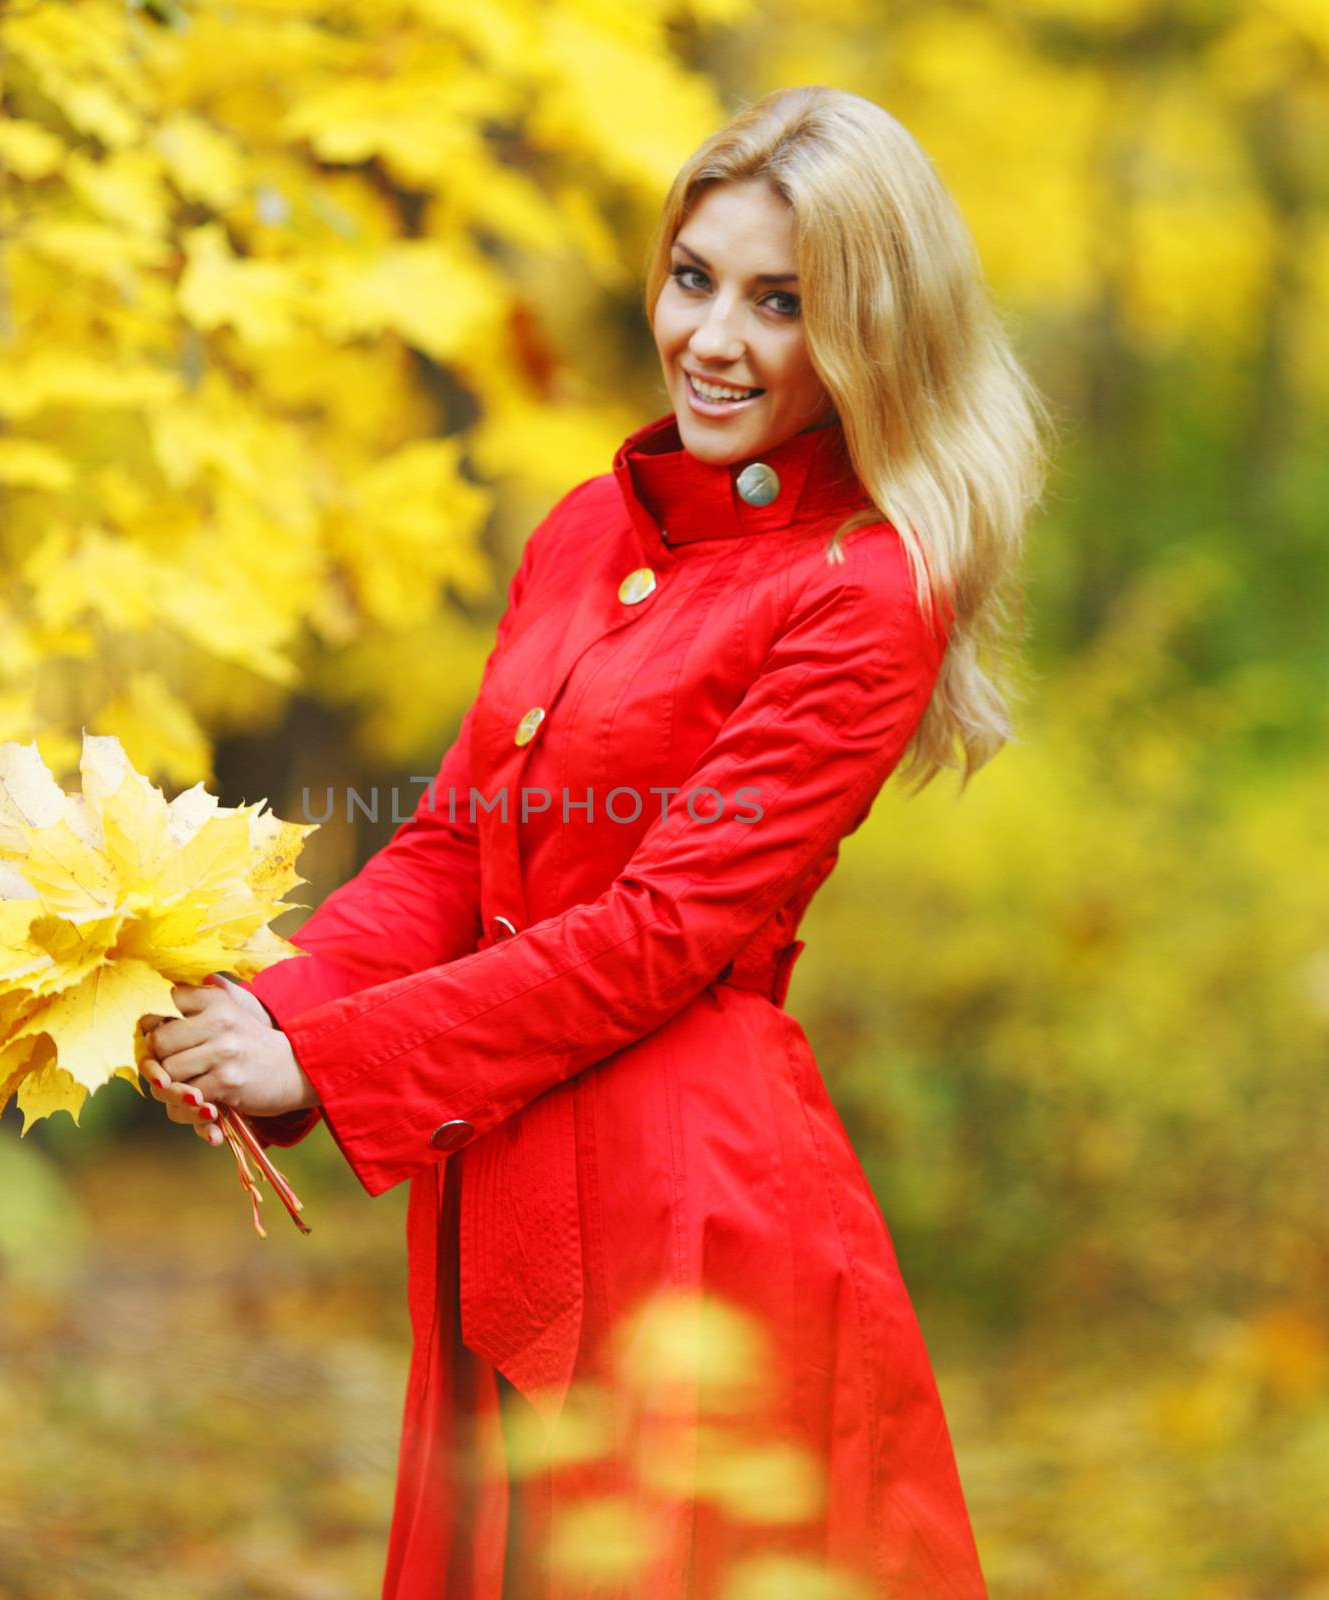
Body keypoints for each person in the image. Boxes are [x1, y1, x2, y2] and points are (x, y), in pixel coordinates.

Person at [139, 83, 1049, 1600]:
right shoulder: (585, 531)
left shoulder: (864, 591)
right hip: (496, 1158)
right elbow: (450, 847)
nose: (713, 336)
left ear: (872, 334)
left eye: (783, 304)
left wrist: (333, 1067)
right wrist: (269, 1007)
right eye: (696, 278)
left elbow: (659, 935)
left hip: (684, 1209)